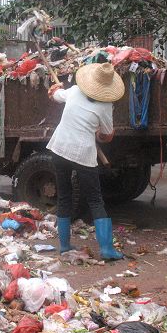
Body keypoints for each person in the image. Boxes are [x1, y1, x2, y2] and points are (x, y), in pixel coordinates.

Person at [47, 62, 125, 260]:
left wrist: (55, 89)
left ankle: (65, 246)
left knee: (64, 196)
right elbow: (106, 135)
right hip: (83, 153)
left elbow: (54, 95)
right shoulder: (105, 106)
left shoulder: (73, 91)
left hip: (60, 148)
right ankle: (106, 249)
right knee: (95, 199)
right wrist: (100, 133)